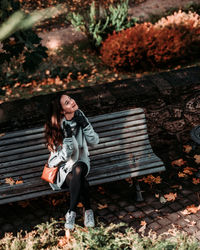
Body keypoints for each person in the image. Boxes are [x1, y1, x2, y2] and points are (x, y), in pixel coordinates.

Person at [44, 93, 99, 230]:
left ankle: (71, 212)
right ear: (62, 110)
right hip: (63, 167)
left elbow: (94, 141)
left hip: (82, 161)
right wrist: (68, 138)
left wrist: (85, 125)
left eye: (71, 99)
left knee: (78, 169)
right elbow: (63, 156)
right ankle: (88, 211)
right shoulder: (57, 125)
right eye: (67, 103)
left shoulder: (80, 115)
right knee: (81, 181)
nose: (72, 102)